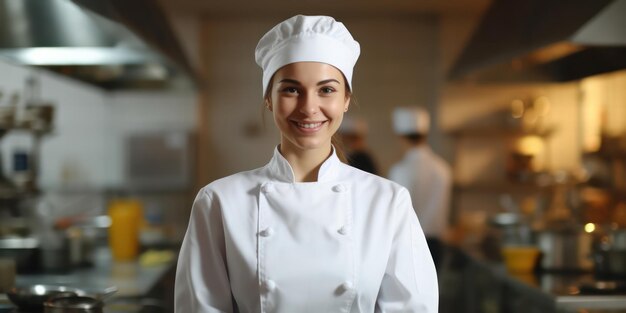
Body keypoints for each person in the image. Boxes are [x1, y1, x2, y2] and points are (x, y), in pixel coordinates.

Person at [175, 15, 438, 313]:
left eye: (327, 90)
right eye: (291, 89)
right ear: (269, 99)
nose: (309, 107)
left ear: (346, 99)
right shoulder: (219, 202)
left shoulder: (388, 202)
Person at [388, 107, 452, 269]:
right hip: (436, 245)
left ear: (401, 137)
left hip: (407, 243)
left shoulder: (399, 170)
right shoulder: (442, 169)